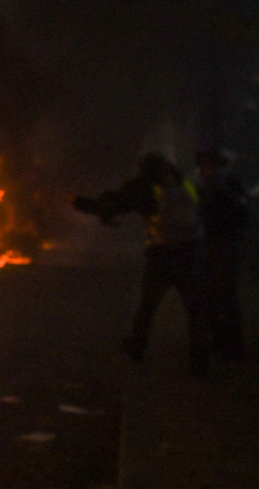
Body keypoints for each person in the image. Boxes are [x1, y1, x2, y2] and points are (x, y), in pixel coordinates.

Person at [74, 152, 208, 375]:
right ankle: (200, 360)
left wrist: (80, 203)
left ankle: (137, 348)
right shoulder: (186, 185)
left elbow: (115, 203)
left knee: (148, 305)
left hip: (163, 255)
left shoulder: (148, 189)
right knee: (195, 309)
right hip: (191, 253)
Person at [195, 148, 250, 360]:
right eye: (204, 166)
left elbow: (240, 211)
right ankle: (219, 340)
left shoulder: (228, 185)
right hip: (209, 243)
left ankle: (234, 345)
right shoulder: (204, 187)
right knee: (209, 294)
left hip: (224, 244)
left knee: (226, 295)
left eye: (210, 166)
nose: (206, 170)